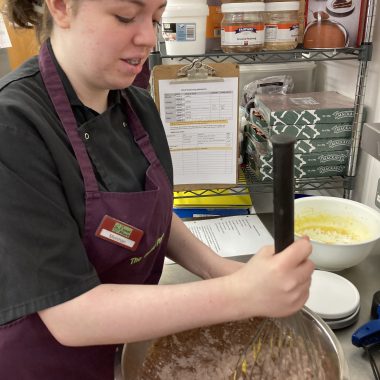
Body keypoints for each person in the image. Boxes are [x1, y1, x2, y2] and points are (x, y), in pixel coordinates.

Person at [0, 0, 314, 378]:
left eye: (156, 17)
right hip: (47, 363)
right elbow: (71, 315)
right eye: (125, 16)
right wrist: (239, 295)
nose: (149, 37)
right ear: (63, 7)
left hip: (125, 342)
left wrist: (216, 269)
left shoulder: (137, 105)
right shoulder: (15, 127)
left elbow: (149, 220)